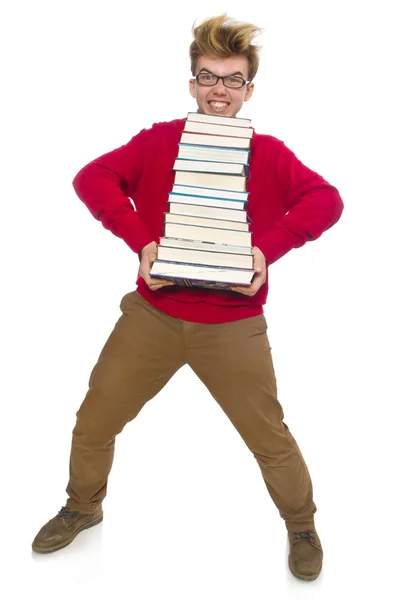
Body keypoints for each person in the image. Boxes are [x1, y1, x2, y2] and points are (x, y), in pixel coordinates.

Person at [32, 14, 343, 581]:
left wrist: (266, 250)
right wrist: (141, 241)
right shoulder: (159, 140)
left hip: (234, 324)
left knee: (270, 439)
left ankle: (301, 524)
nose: (218, 89)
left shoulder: (269, 153)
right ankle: (83, 506)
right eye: (208, 77)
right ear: (192, 83)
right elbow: (92, 178)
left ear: (249, 89)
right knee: (93, 422)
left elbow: (326, 200)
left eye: (231, 79)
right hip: (153, 315)